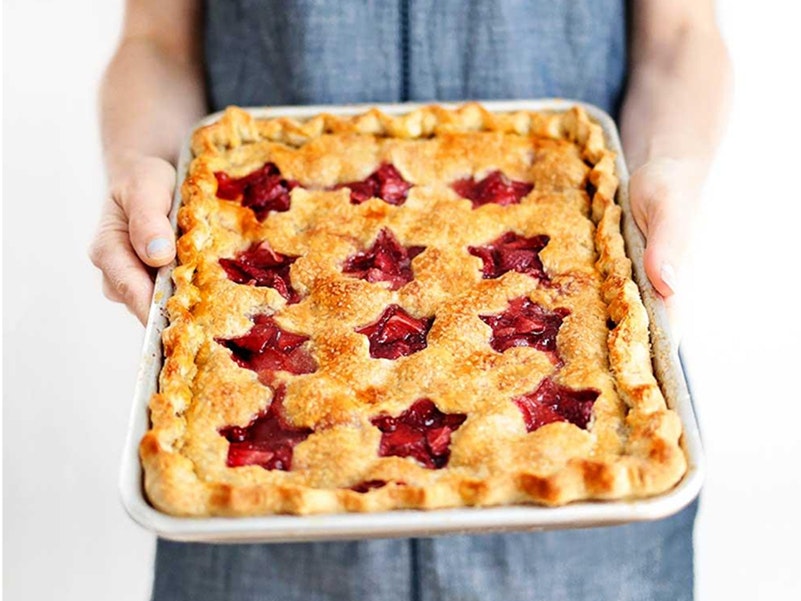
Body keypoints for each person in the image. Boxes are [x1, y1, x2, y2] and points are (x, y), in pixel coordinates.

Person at [89, 1, 731, 600]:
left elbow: (679, 37)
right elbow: (155, 44)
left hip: (582, 534)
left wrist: (668, 166)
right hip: (258, 543)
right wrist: (140, 170)